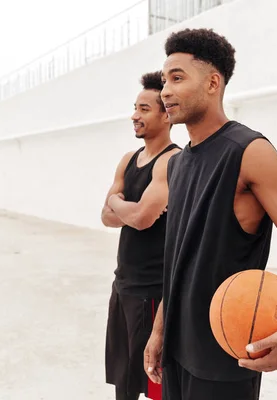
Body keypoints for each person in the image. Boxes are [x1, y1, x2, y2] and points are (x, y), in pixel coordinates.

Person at [143, 28, 277, 400]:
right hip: (177, 349)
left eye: (177, 78)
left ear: (213, 82)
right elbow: (177, 259)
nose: (165, 91)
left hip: (226, 354)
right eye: (164, 80)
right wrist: (160, 330)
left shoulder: (248, 151)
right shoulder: (177, 164)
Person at [102, 70, 181, 400]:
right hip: (123, 286)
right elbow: (106, 217)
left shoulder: (172, 161)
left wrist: (118, 203)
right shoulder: (128, 160)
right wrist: (123, 209)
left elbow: (143, 218)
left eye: (145, 109)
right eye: (135, 107)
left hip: (152, 293)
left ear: (166, 114)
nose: (135, 115)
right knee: (124, 383)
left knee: (157, 385)